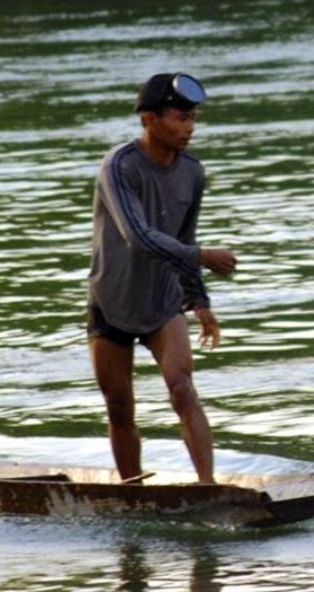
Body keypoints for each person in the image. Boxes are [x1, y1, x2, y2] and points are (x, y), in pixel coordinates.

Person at [87, 73, 237, 484]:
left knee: (182, 388)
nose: (189, 127)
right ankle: (132, 490)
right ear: (149, 120)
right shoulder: (118, 167)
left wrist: (199, 300)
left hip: (163, 302)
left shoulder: (193, 172)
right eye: (180, 118)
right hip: (112, 302)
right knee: (119, 406)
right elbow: (137, 236)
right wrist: (203, 257)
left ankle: (207, 486)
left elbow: (184, 236)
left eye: (193, 118)